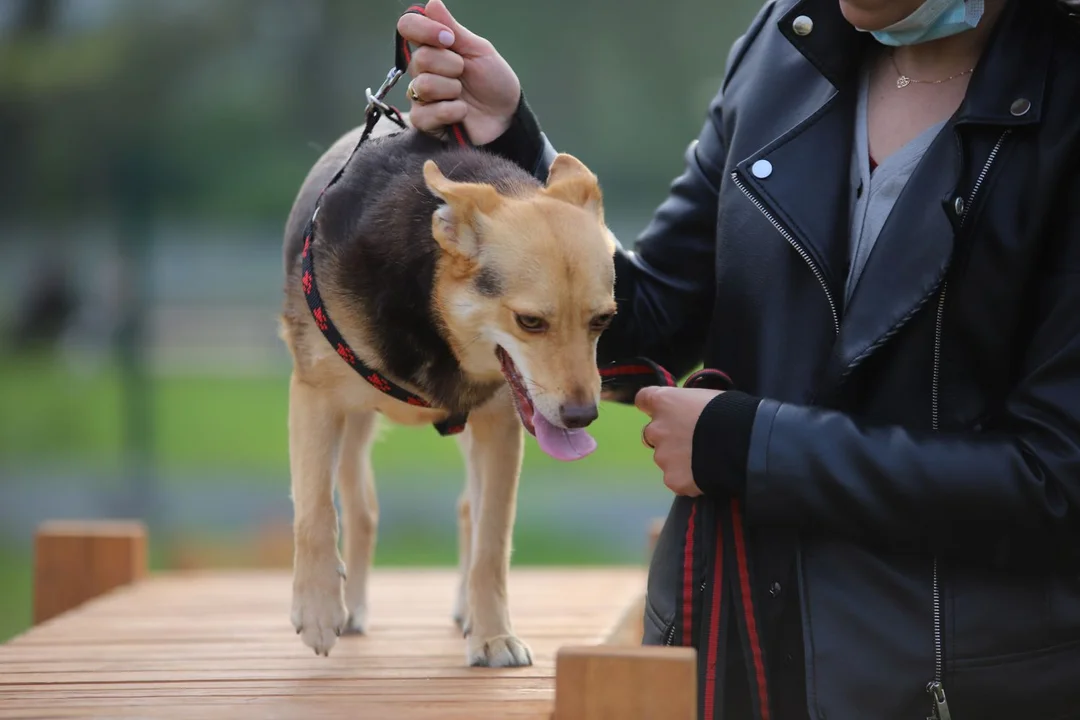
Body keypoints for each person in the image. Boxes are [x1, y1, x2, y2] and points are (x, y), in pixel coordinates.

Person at [398, 0, 1080, 717]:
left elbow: (1056, 479)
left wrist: (748, 447)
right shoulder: (786, 41)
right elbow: (654, 314)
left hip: (952, 688)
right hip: (731, 662)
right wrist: (510, 143)